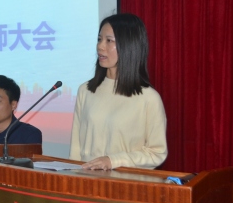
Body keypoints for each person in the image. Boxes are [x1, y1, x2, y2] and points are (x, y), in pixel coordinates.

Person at [69, 13, 167, 170]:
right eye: (99, 39)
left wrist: (113, 161)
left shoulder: (149, 98)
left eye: (109, 41)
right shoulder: (85, 91)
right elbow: (76, 148)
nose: (100, 46)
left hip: (125, 182)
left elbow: (157, 153)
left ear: (128, 45)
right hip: (86, 180)